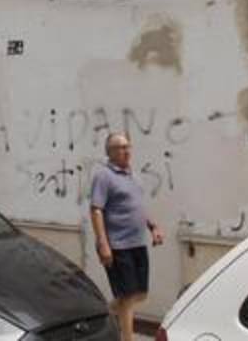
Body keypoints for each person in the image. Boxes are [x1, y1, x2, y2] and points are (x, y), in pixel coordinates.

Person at [90, 132, 164, 341]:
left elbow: (138, 206)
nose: (126, 151)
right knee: (129, 297)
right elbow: (96, 210)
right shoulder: (103, 176)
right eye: (121, 147)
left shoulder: (133, 175)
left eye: (128, 146)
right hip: (118, 245)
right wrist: (103, 243)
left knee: (140, 293)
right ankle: (127, 339)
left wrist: (153, 226)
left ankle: (104, 314)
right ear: (110, 152)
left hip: (137, 242)